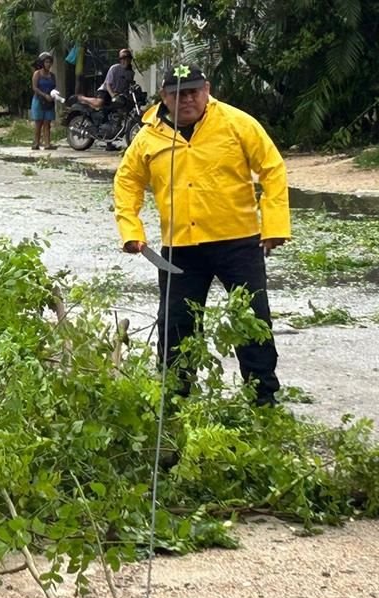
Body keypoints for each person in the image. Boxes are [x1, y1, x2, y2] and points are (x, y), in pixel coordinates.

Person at [112, 64, 291, 406]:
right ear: (164, 96)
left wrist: (275, 225)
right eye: (178, 93)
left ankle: (263, 398)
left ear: (207, 89)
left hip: (238, 242)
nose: (187, 99)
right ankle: (174, 398)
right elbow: (127, 182)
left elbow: (272, 167)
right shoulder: (148, 136)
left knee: (252, 320)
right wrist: (131, 230)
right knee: (176, 324)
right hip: (180, 248)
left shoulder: (237, 123)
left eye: (194, 91)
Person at [30, 53, 57, 150]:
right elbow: (34, 87)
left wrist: (53, 95)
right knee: (38, 123)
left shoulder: (52, 76)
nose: (48, 64)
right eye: (46, 62)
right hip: (39, 100)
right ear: (42, 63)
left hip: (49, 101)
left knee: (47, 123)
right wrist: (44, 95)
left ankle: (47, 143)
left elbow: (54, 87)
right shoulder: (37, 74)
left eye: (50, 62)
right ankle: (36, 143)